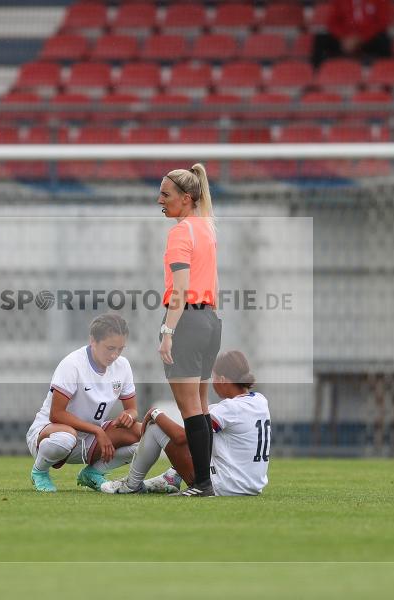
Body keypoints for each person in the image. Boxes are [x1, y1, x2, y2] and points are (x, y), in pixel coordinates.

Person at [101, 350, 270, 496]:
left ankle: (131, 485)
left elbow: (184, 438)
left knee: (156, 428)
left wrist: (156, 413)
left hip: (226, 486)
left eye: (213, 377)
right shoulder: (260, 401)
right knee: (206, 442)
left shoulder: (228, 410)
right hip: (253, 485)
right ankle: (171, 477)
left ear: (223, 379)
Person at [156, 164, 222, 497]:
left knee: (190, 409)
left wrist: (168, 331)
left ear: (187, 197)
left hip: (189, 322)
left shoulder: (182, 231)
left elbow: (180, 289)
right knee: (202, 404)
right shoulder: (208, 228)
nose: (159, 200)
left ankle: (202, 483)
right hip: (210, 321)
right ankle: (207, 478)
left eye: (165, 195)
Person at [26, 313, 142, 492]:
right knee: (65, 437)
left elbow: (133, 409)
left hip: (89, 439)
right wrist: (97, 430)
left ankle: (92, 473)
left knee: (141, 435)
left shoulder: (123, 366)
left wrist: (128, 415)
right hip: (51, 433)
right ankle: (39, 471)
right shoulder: (72, 364)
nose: (114, 355)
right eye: (110, 348)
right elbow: (56, 414)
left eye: (120, 349)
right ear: (93, 341)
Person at [311, 0, 394, 69]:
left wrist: (360, 38)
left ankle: (386, 75)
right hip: (344, 40)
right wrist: (343, 38)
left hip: (367, 39)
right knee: (320, 39)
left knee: (384, 40)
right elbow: (332, 23)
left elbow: (381, 23)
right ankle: (316, 76)